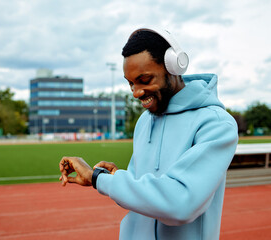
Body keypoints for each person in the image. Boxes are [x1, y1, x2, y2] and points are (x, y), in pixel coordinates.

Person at [59, 27, 238, 240]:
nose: (136, 92)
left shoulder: (216, 124)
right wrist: (116, 177)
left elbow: (180, 203)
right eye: (131, 83)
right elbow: (141, 193)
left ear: (174, 67)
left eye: (145, 80)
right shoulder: (145, 120)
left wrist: (98, 178)